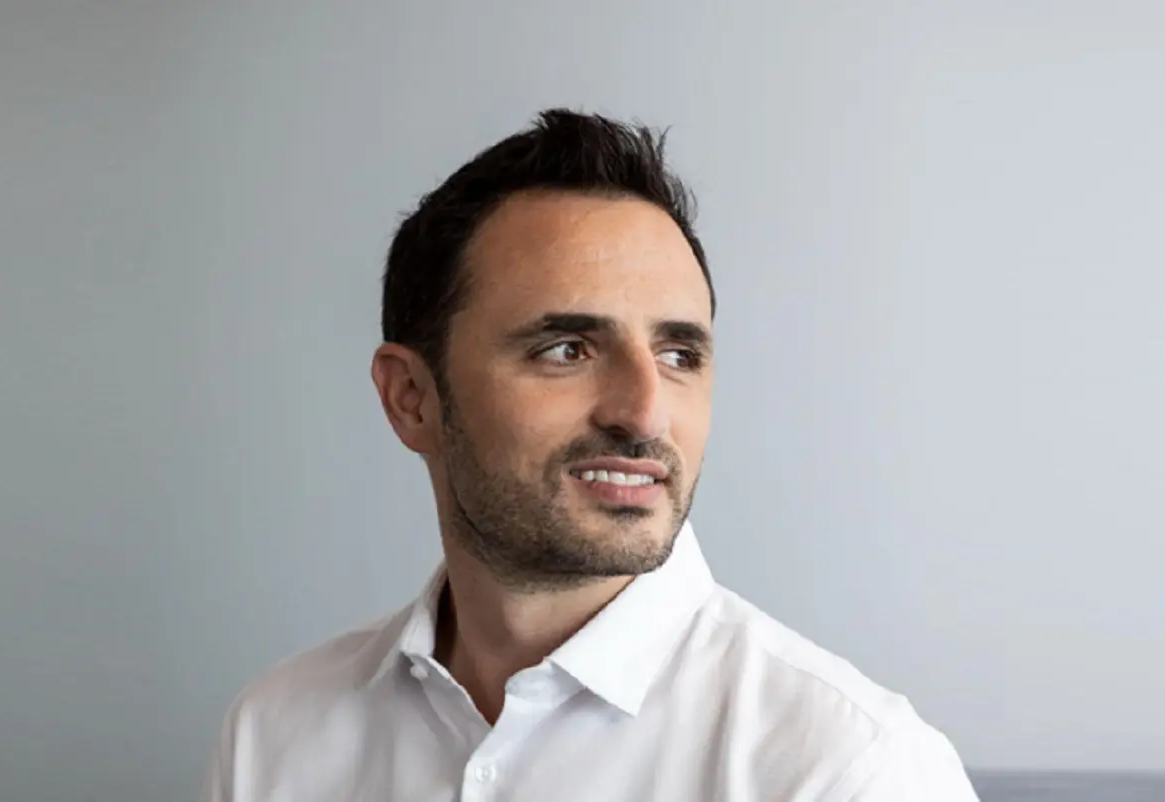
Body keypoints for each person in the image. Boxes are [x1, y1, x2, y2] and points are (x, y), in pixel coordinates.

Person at [200, 109, 979, 801]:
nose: (644, 413)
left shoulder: (849, 770)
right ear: (411, 397)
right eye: (567, 349)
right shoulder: (275, 733)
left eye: (678, 355)